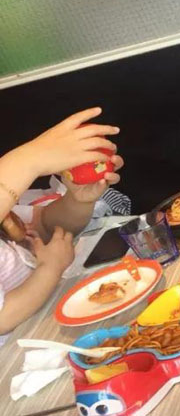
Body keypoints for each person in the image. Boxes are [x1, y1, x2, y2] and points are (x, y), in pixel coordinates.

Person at [0, 108, 123, 341]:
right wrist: (50, 268)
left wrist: (78, 200)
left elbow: (45, 227)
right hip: (18, 349)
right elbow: (3, 318)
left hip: (50, 313)